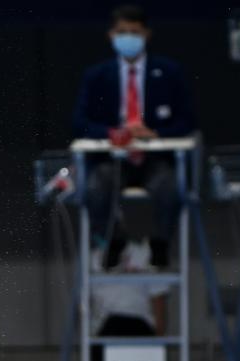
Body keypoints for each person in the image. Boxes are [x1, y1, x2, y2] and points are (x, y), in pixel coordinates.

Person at [71, 4, 196, 268]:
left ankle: (161, 243)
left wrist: (155, 133)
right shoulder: (96, 76)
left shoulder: (169, 72)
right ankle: (112, 239)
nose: (128, 37)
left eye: (134, 32)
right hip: (113, 159)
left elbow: (188, 121)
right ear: (111, 35)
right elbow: (79, 123)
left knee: (171, 186)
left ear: (147, 35)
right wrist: (110, 133)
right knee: (95, 186)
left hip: (154, 158)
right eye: (122, 32)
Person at [90, 236, 168, 361]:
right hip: (107, 327)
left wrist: (160, 336)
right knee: (111, 325)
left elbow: (159, 298)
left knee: (118, 324)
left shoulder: (143, 254)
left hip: (140, 324)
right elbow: (87, 302)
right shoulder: (92, 259)